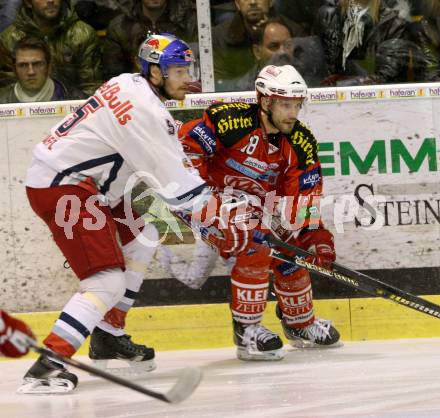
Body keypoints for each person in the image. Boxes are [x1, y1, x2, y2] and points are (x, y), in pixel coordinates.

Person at [18, 33, 249, 394]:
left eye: (188, 67)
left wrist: (207, 212)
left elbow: (165, 179)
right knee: (105, 282)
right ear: (154, 73)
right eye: (177, 69)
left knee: (148, 229)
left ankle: (108, 334)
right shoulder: (146, 111)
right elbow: (177, 183)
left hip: (81, 182)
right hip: (64, 187)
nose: (187, 77)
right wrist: (218, 217)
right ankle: (48, 366)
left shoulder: (127, 84)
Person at [177, 64, 341, 361]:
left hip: (253, 207)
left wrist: (314, 236)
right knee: (255, 243)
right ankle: (247, 330)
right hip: (200, 200)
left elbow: (301, 202)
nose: (293, 112)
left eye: (297, 105)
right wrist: (206, 204)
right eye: (285, 105)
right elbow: (184, 156)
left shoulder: (301, 143)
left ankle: (300, 324)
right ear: (265, 101)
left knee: (291, 243)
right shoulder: (229, 120)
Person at [0, 0, 102, 95]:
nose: (50, 1)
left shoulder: (83, 34)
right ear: (28, 3)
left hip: (73, 107)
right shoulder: (10, 39)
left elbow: (91, 86)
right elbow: (8, 89)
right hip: (25, 109)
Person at [212, 0, 307, 91]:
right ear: (237, 3)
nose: (253, 2)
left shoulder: (296, 32)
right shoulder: (219, 37)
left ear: (271, 1)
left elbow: (306, 79)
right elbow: (221, 87)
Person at [102, 0, 198, 80]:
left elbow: (201, 66)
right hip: (137, 92)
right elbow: (114, 76)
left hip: (184, 89)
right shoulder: (120, 26)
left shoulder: (192, 21)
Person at [0, 36, 87, 103]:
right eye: (23, 65)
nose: (31, 72)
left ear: (49, 67)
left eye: (37, 64)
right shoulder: (2, 100)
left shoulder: (76, 100)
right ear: (14, 70)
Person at [234, 17, 295, 91]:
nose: (283, 52)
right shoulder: (244, 91)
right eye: (274, 46)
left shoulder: (306, 78)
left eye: (288, 45)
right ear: (257, 52)